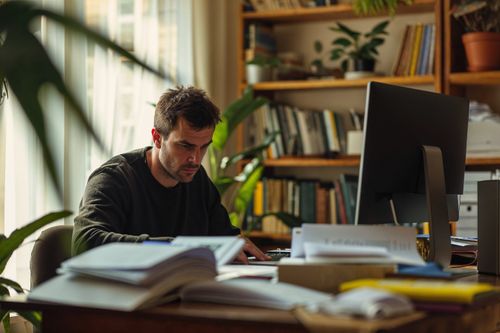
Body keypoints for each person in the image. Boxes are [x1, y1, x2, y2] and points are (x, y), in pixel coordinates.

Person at [73, 86, 269, 263]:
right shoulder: (114, 179)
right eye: (185, 146)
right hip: (123, 296)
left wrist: (236, 245)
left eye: (203, 147)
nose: (195, 158)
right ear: (157, 138)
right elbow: (85, 242)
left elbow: (225, 237)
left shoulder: (196, 178)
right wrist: (176, 247)